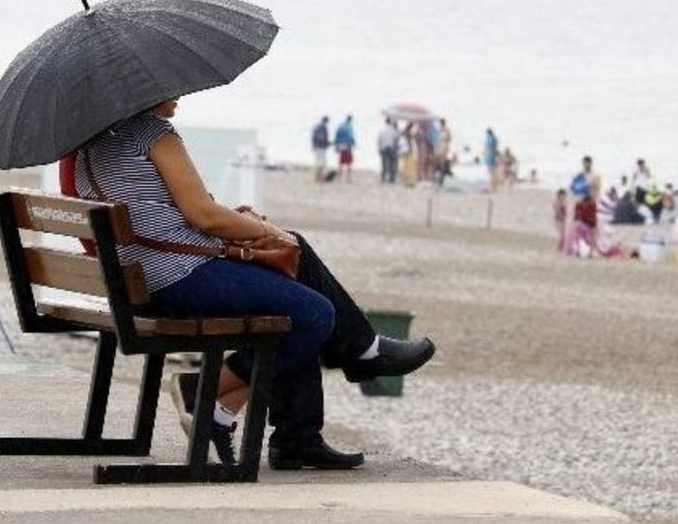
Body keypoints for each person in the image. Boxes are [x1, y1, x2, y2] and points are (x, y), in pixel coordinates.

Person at [74, 99, 436, 470]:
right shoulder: (153, 135)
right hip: (177, 279)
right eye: (174, 87)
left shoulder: (91, 146)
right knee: (312, 313)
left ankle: (302, 431)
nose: (181, 94)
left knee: (297, 259)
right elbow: (205, 216)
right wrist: (264, 230)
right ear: (148, 89)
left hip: (139, 281)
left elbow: (164, 213)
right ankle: (203, 389)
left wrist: (250, 228)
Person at [377, 117, 399, 184]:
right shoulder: (393, 130)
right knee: (392, 163)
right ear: (390, 122)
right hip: (391, 148)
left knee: (384, 163)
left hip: (384, 148)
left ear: (385, 122)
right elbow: (396, 139)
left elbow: (379, 141)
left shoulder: (381, 130)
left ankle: (383, 178)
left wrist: (379, 149)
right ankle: (392, 179)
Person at [334, 114, 355, 183]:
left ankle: (339, 179)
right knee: (349, 162)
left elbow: (336, 136)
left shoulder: (340, 125)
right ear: (350, 119)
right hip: (347, 146)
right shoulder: (349, 126)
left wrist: (336, 146)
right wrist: (353, 143)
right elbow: (351, 136)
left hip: (340, 146)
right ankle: (348, 178)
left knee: (341, 163)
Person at [311, 116, 330, 183]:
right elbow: (321, 138)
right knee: (322, 163)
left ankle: (317, 178)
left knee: (318, 162)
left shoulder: (316, 126)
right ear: (326, 121)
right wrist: (327, 143)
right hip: (321, 147)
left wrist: (313, 145)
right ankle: (320, 178)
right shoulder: (323, 127)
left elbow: (313, 137)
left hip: (316, 147)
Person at [433, 118, 452, 184]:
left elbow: (449, 139)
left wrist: (446, 147)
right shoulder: (438, 130)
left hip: (443, 147)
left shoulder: (446, 130)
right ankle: (436, 178)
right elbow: (436, 139)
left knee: (442, 163)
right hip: (438, 147)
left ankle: (441, 179)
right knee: (437, 163)